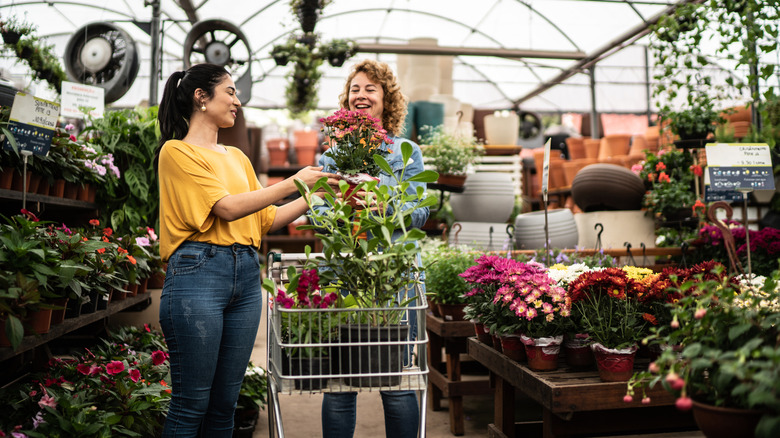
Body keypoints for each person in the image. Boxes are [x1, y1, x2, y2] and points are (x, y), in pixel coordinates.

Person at [154, 63, 339, 437]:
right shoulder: (176, 152)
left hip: (245, 276)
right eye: (231, 92)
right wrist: (293, 182)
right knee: (192, 404)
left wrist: (316, 194)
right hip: (197, 276)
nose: (238, 101)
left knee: (225, 406)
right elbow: (225, 207)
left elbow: (266, 220)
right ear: (201, 98)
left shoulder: (237, 157)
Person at [316, 59, 429, 438]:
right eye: (355, 90)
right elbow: (316, 211)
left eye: (371, 89)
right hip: (345, 273)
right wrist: (339, 209)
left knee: (394, 382)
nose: (361, 96)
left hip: (392, 277)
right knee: (339, 385)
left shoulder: (406, 150)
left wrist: (384, 205)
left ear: (386, 100)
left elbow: (420, 210)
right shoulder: (332, 156)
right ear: (346, 101)